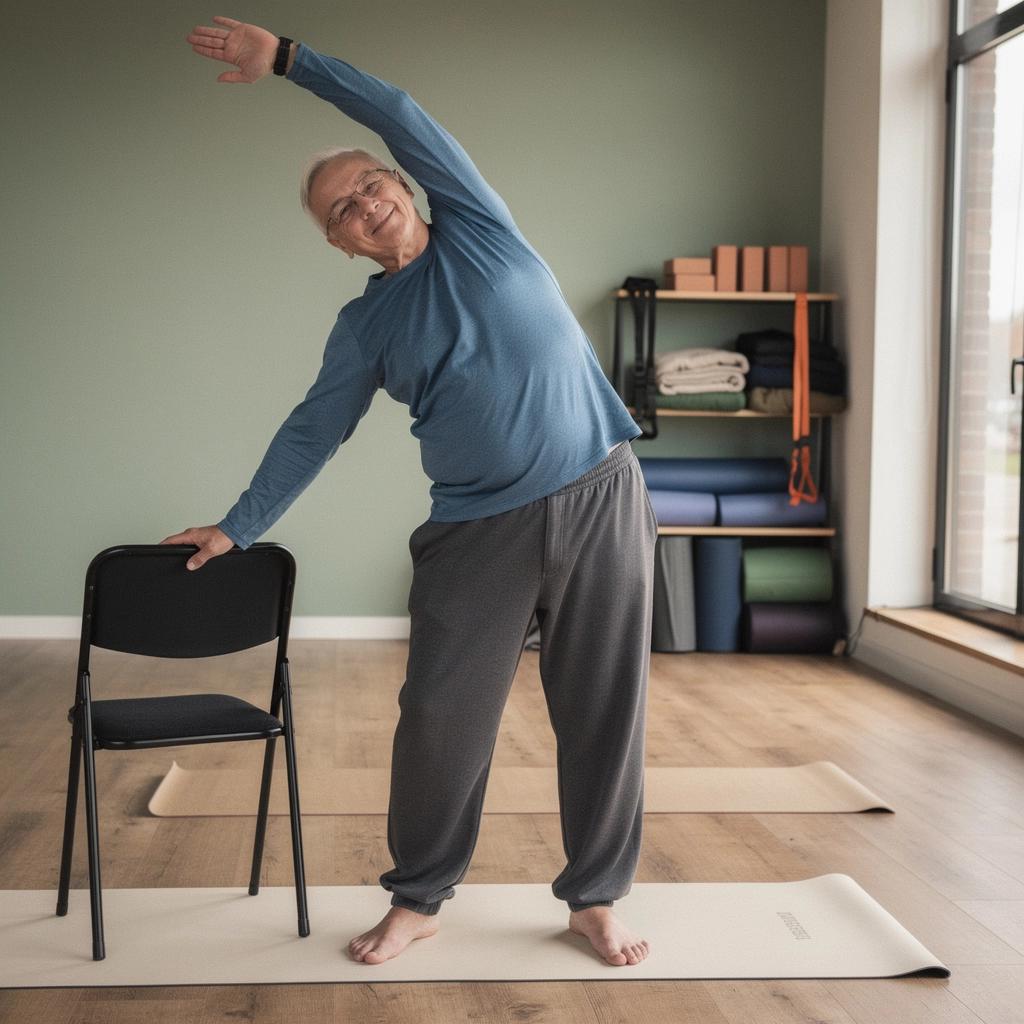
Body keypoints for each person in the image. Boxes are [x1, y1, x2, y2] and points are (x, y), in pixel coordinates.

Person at [161, 15, 657, 968]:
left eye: (370, 184)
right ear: (339, 245)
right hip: (478, 531)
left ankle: (596, 897)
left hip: (602, 494)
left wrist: (292, 62)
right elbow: (314, 429)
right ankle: (420, 895)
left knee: (603, 705)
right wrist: (238, 525)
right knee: (439, 717)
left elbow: (396, 111)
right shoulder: (366, 325)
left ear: (404, 186)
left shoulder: (480, 228)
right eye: (340, 210)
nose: (364, 204)